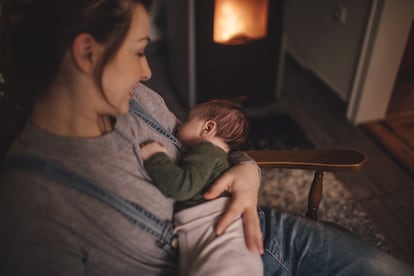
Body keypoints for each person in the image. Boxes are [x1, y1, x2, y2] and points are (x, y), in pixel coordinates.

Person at [0, 0, 412, 275]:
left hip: (263, 230)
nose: (147, 71)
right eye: (140, 50)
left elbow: (205, 148)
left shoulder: (137, 99)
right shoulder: (31, 202)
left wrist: (248, 173)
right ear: (87, 53)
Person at [140, 99, 263, 275]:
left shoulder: (206, 151)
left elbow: (182, 186)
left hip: (224, 251)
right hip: (234, 251)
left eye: (188, 120)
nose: (179, 126)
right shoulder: (219, 157)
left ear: (207, 128)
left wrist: (155, 157)